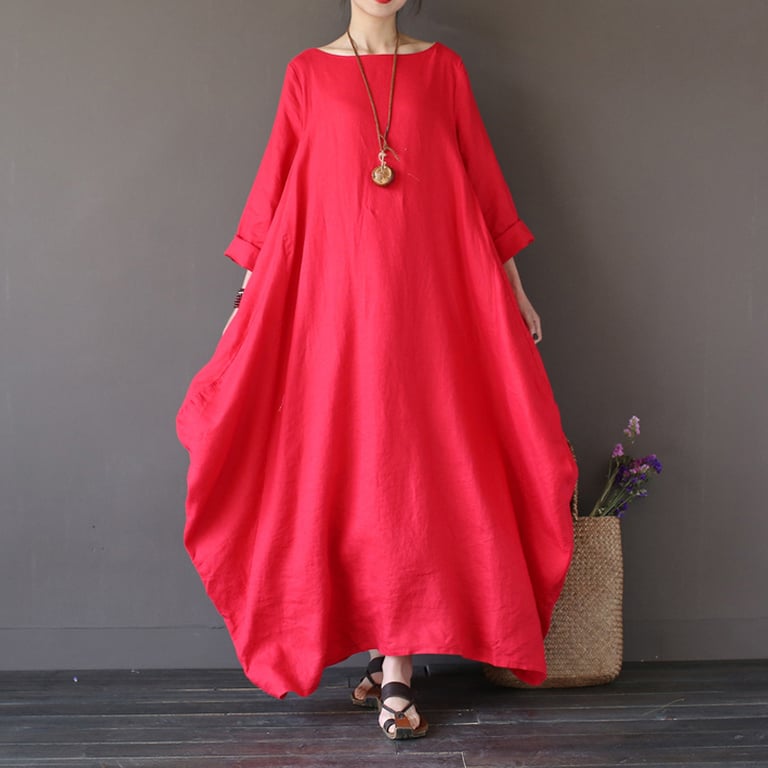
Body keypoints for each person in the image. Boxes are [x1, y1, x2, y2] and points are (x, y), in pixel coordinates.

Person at [176, 0, 578, 741]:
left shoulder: (443, 70)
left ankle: (397, 667)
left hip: (430, 311)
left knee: (411, 474)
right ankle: (379, 646)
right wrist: (244, 302)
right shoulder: (307, 74)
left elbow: (483, 184)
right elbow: (274, 192)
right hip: (336, 313)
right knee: (356, 469)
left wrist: (514, 287)